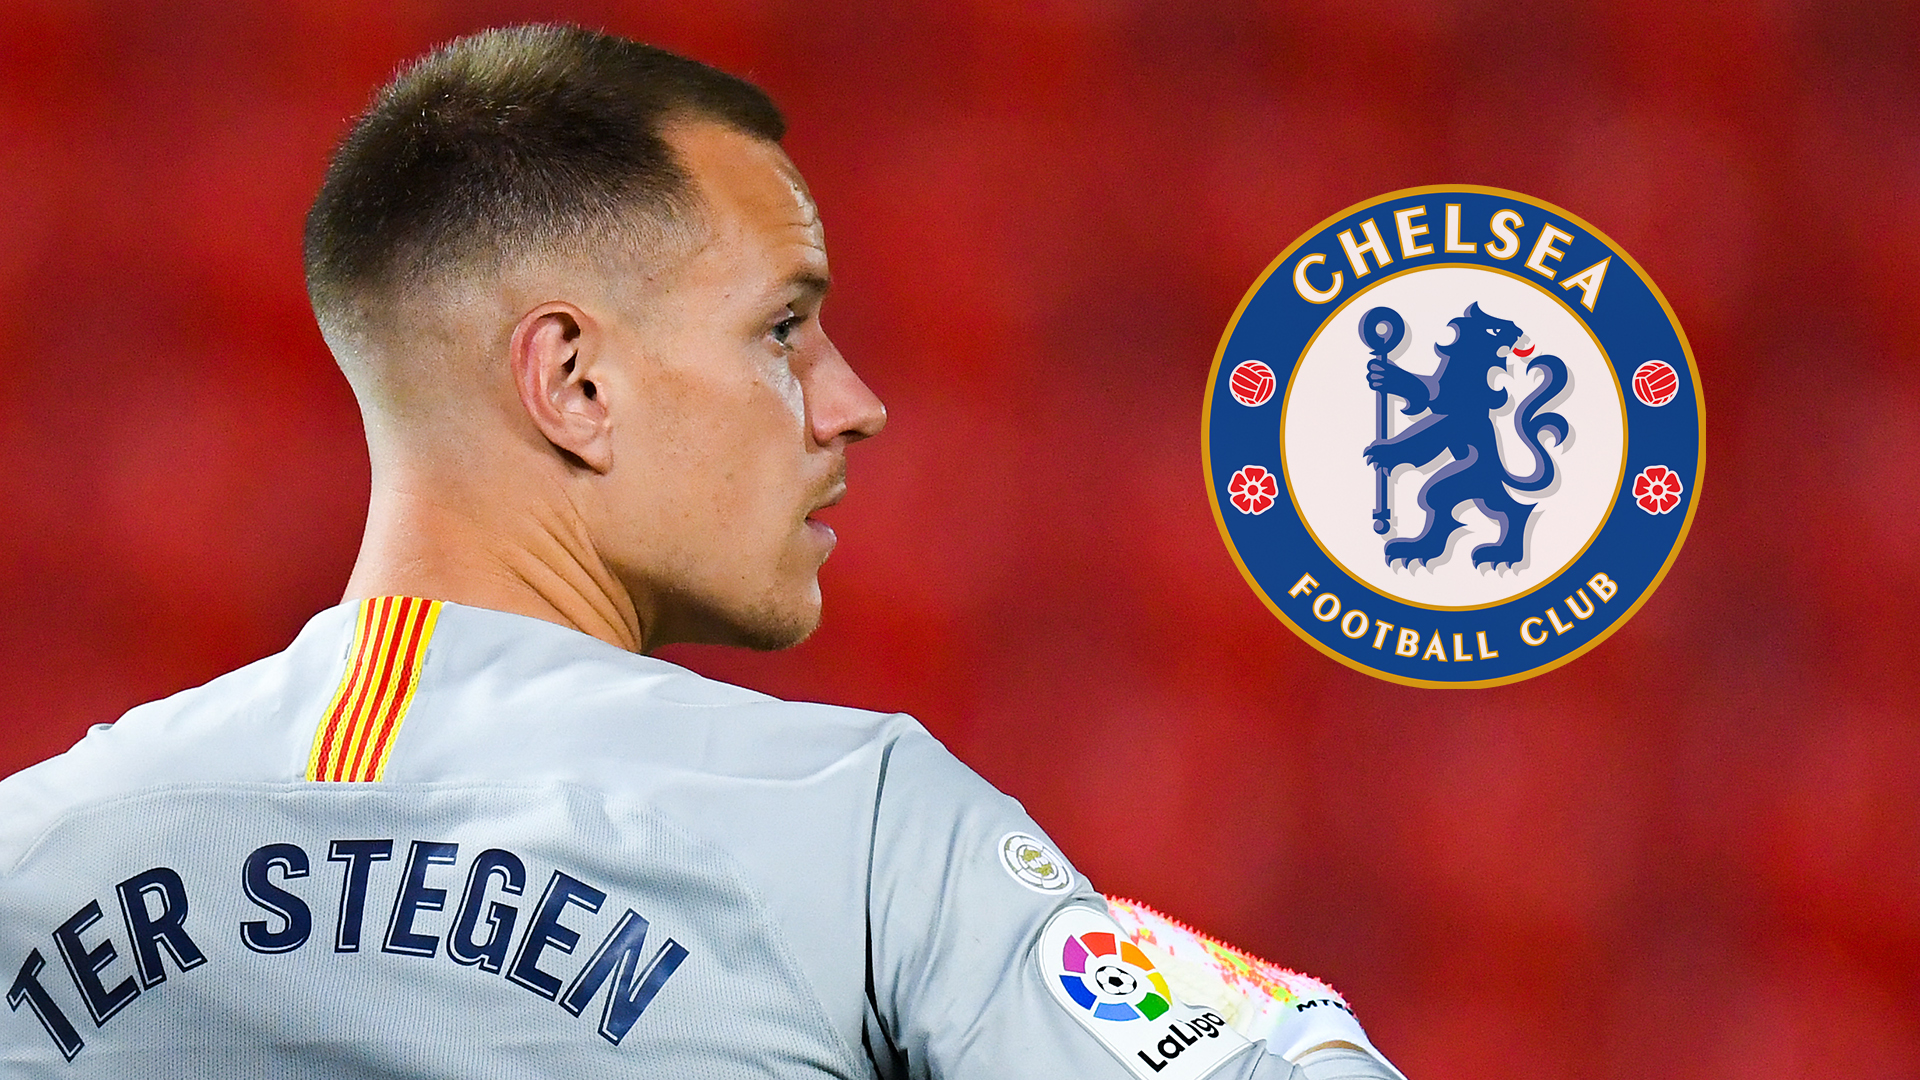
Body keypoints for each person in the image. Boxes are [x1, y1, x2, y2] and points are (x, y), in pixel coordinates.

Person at [0, 25, 1403, 1080]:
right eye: (783, 327)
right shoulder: (848, 826)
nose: (854, 403)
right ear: (574, 382)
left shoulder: (39, 854)